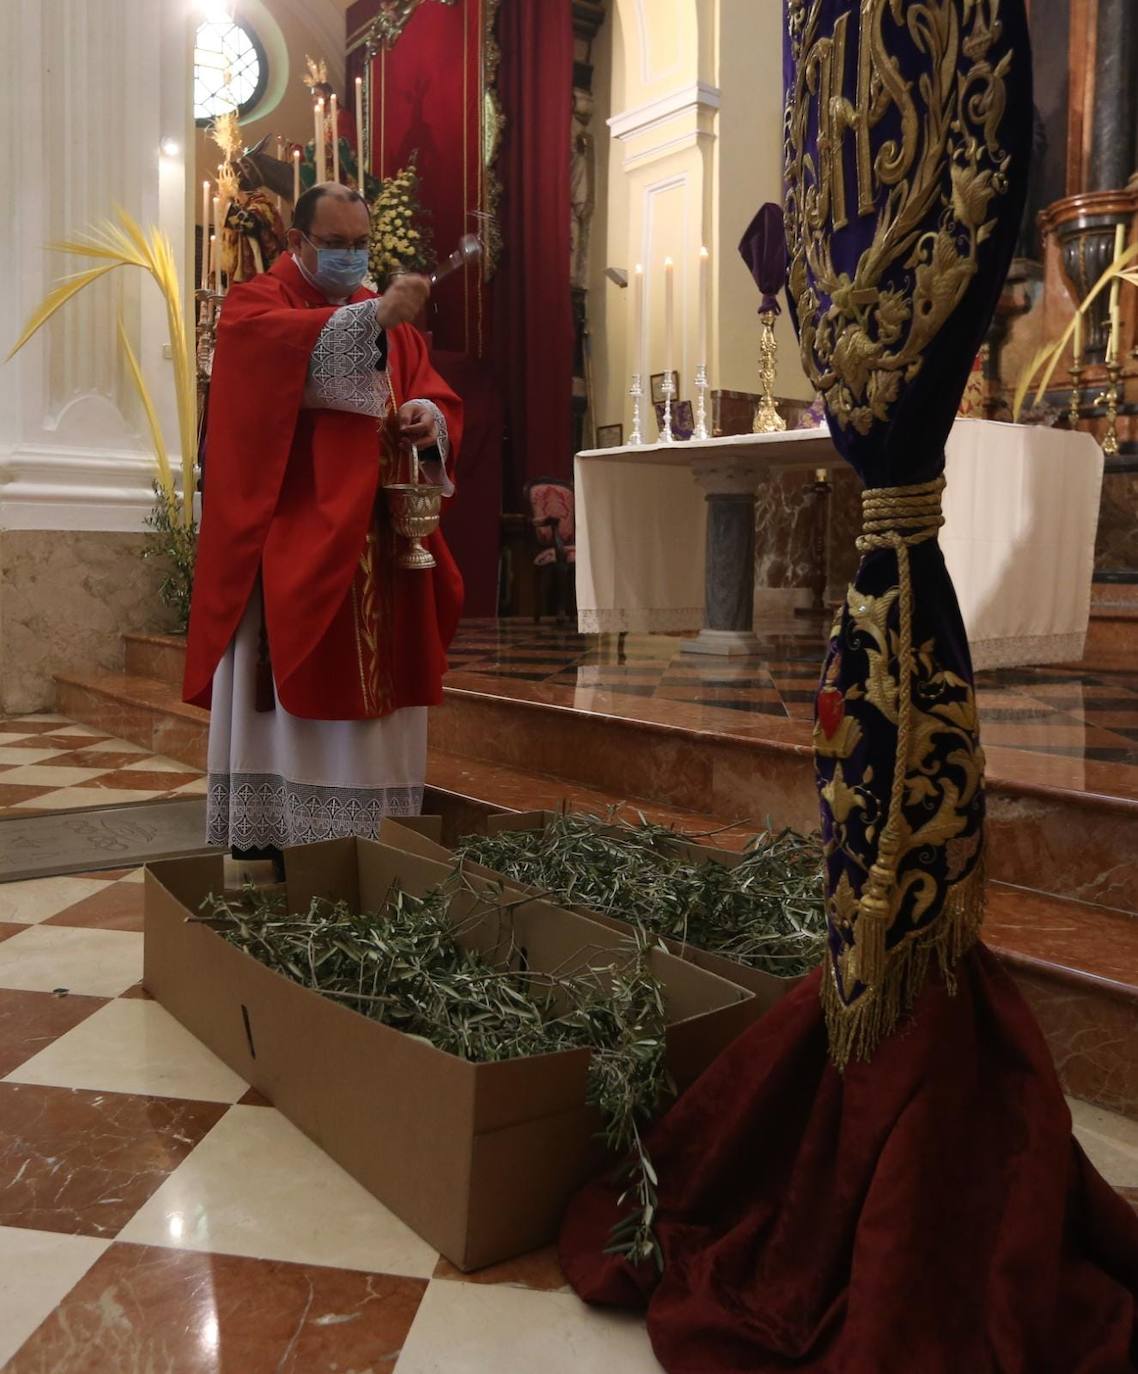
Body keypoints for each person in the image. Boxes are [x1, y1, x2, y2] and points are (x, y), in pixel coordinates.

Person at [559, 4, 1138, 1371]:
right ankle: (889, 997)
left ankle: (886, 995)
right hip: (891, 627)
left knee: (881, 866)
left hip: (896, 610)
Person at [183, 182, 462, 870]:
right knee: (286, 710)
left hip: (381, 540)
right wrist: (370, 323)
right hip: (291, 544)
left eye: (359, 244)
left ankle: (374, 844)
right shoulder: (259, 302)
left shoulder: (378, 311)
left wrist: (427, 415)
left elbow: (425, 385)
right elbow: (261, 366)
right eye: (334, 244)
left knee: (380, 706)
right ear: (296, 242)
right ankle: (273, 841)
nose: (349, 257)